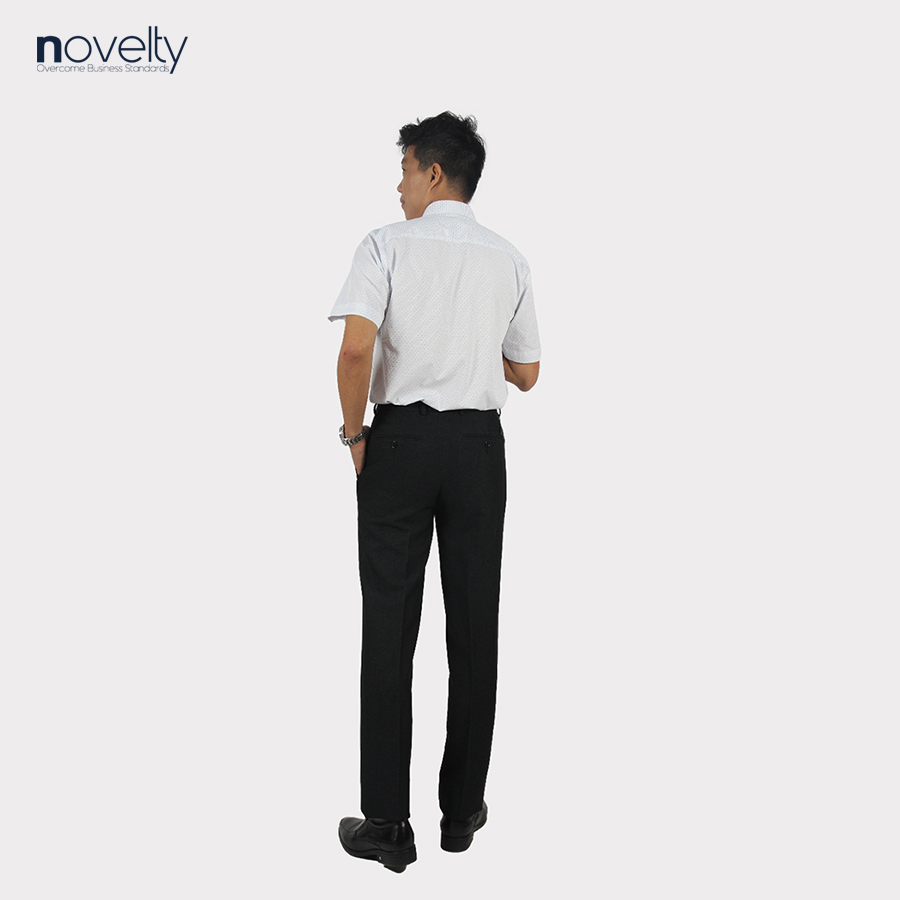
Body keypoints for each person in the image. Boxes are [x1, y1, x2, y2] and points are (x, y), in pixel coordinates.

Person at [328, 111, 541, 874]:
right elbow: (528, 372)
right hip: (478, 450)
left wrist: (355, 435)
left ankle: (389, 824)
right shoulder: (509, 259)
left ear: (434, 173)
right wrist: (475, 350)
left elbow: (356, 350)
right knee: (475, 625)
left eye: (406, 169)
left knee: (389, 627)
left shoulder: (385, 244)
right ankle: (461, 812)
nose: (399, 185)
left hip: (400, 445)